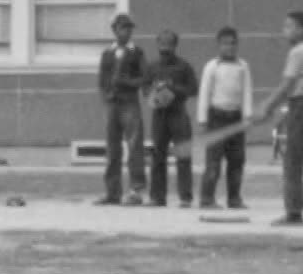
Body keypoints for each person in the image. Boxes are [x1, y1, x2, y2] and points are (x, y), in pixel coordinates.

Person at [255, 11, 303, 228]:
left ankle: (294, 213)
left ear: (301, 30)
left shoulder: (298, 52)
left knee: (293, 162)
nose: (285, 31)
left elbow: (287, 85)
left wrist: (266, 106)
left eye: (289, 26)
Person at [197, 26, 253, 210]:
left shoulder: (243, 66)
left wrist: (247, 117)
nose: (229, 47)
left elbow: (247, 93)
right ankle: (207, 198)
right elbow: (204, 93)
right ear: (218, 45)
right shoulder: (212, 66)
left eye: (233, 43)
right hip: (216, 118)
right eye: (225, 44)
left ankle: (234, 198)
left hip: (235, 118)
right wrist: (202, 119)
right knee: (213, 161)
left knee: (237, 160)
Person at [95, 13, 148, 207]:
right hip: (113, 104)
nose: (126, 32)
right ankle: (112, 191)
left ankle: (136, 190)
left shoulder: (137, 53)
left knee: (134, 145)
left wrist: (127, 82)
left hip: (129, 103)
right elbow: (102, 78)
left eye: (129, 29)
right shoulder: (108, 53)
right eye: (123, 28)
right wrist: (106, 95)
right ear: (114, 30)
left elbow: (144, 78)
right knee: (112, 147)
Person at [144, 29, 200, 208]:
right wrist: (154, 92)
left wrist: (173, 88)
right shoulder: (152, 67)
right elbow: (145, 88)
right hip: (159, 114)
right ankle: (157, 197)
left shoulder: (184, 66)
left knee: (183, 155)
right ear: (157, 45)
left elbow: (194, 89)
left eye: (168, 46)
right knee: (158, 155)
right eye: (162, 46)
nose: (165, 50)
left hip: (178, 113)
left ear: (175, 46)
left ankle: (185, 197)